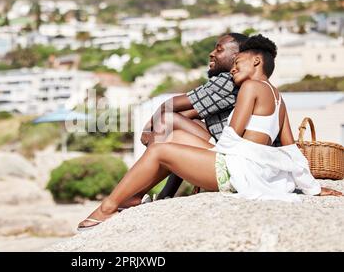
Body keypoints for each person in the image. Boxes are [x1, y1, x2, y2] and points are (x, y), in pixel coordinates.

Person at [77, 34, 342, 231]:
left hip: (237, 170)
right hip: (253, 170)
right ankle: (134, 196)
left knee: (160, 149)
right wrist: (313, 188)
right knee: (175, 139)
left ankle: (107, 208)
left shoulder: (250, 88)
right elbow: (290, 149)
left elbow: (231, 136)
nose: (234, 68)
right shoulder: (278, 97)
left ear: (257, 61)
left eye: (238, 62)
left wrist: (199, 159)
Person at [120, 32, 250, 209]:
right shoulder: (238, 82)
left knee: (167, 120)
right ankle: (164, 193)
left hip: (230, 158)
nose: (212, 53)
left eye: (219, 50)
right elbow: (193, 113)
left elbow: (170, 105)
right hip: (230, 151)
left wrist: (149, 128)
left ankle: (135, 191)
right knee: (175, 126)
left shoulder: (226, 80)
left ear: (237, 57)